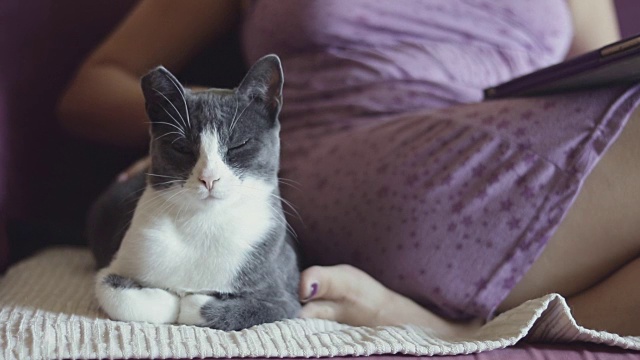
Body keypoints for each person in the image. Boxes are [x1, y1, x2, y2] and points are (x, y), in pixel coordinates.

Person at [58, 0, 640, 336]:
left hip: (520, 126)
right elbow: (95, 85)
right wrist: (211, 129)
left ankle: (459, 335)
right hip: (349, 147)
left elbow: (605, 81)